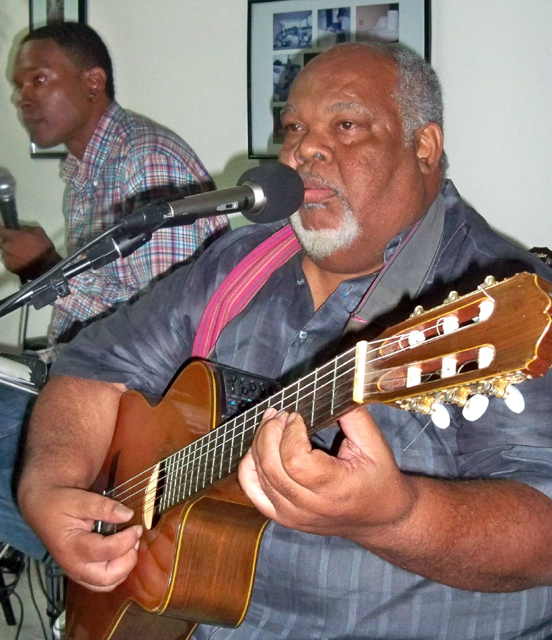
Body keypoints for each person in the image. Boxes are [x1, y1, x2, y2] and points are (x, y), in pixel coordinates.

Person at [16, 41, 552, 639]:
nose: (305, 149)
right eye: (294, 127)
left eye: (345, 125)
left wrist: (396, 517)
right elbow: (95, 362)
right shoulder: (239, 264)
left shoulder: (500, 303)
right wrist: (49, 486)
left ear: (424, 147)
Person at [0, 22, 228, 561]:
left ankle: (106, 557)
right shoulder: (87, 168)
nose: (22, 97)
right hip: (74, 370)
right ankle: (82, 552)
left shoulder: (143, 160)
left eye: (38, 79)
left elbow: (167, 328)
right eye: (17, 86)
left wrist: (47, 269)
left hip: (140, 395)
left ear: (92, 81)